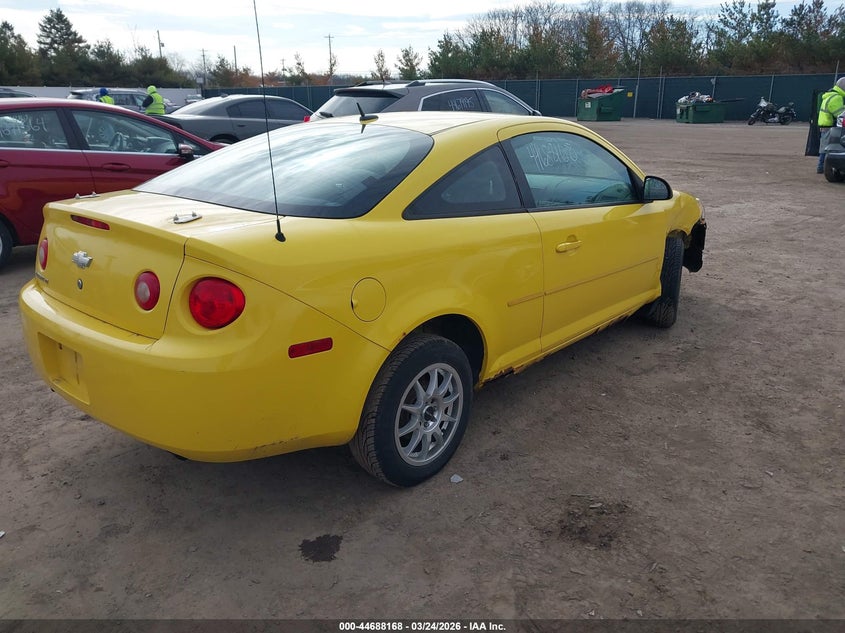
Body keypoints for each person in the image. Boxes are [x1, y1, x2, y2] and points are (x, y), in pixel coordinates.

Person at [816, 77, 845, 173]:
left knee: (824, 147)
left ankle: (821, 166)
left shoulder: (830, 95)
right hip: (829, 126)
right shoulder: (837, 98)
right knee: (828, 148)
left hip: (824, 125)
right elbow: (839, 114)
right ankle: (821, 167)